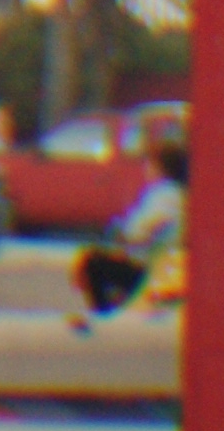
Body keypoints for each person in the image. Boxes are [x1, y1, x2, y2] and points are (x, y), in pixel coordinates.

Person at [70, 141, 189, 329]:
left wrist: (120, 231)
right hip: (164, 264)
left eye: (150, 164)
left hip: (152, 270)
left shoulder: (164, 195)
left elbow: (136, 231)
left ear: (161, 167)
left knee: (93, 264)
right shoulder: (180, 194)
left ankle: (104, 314)